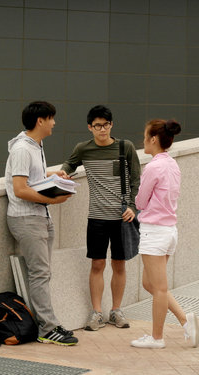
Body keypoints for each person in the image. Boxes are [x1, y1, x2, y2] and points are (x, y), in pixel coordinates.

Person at [61, 105, 140, 331]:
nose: (102, 129)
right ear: (90, 127)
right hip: (96, 216)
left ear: (111, 125)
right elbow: (70, 163)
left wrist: (133, 206)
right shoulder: (83, 149)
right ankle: (96, 313)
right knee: (97, 263)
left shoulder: (125, 148)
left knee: (119, 264)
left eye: (106, 125)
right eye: (97, 126)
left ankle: (116, 311)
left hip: (122, 216)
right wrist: (65, 171)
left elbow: (137, 180)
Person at [5, 101, 78, 346]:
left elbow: (32, 176)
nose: (54, 123)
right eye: (51, 118)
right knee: (39, 273)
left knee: (44, 273)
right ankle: (47, 329)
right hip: (26, 217)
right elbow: (19, 189)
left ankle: (49, 324)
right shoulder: (22, 149)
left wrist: (53, 175)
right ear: (40, 121)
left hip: (40, 216)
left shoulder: (36, 146)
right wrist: (53, 200)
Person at [130, 119, 199, 349]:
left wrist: (140, 205)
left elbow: (140, 201)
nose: (143, 140)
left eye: (144, 136)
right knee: (149, 283)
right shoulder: (172, 164)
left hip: (155, 232)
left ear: (153, 139)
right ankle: (185, 319)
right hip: (169, 232)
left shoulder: (153, 167)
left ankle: (157, 338)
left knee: (157, 288)